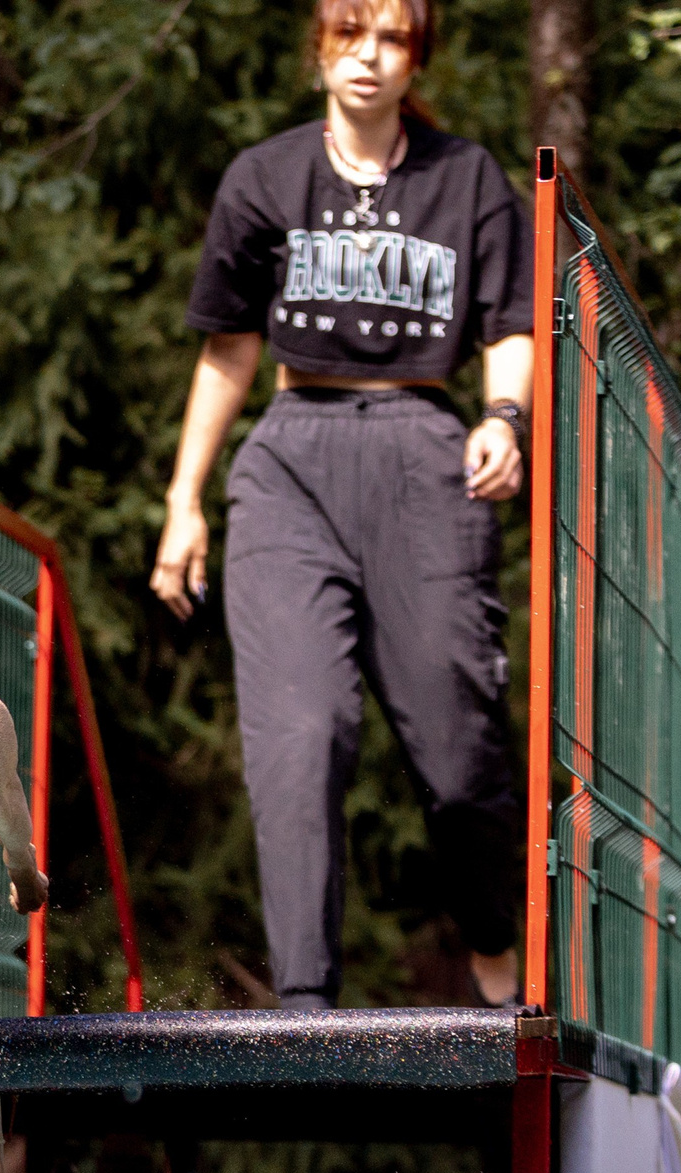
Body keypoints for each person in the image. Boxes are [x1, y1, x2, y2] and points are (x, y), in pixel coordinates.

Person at [152, 0, 531, 1010]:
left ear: (416, 59)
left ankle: (493, 938)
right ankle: (306, 1004)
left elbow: (511, 324)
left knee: (458, 756)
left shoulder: (468, 181)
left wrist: (503, 416)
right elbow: (227, 349)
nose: (367, 57)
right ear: (319, 46)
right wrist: (184, 500)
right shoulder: (264, 177)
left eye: (391, 39)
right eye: (347, 33)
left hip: (423, 455)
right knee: (300, 736)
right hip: (289, 464)